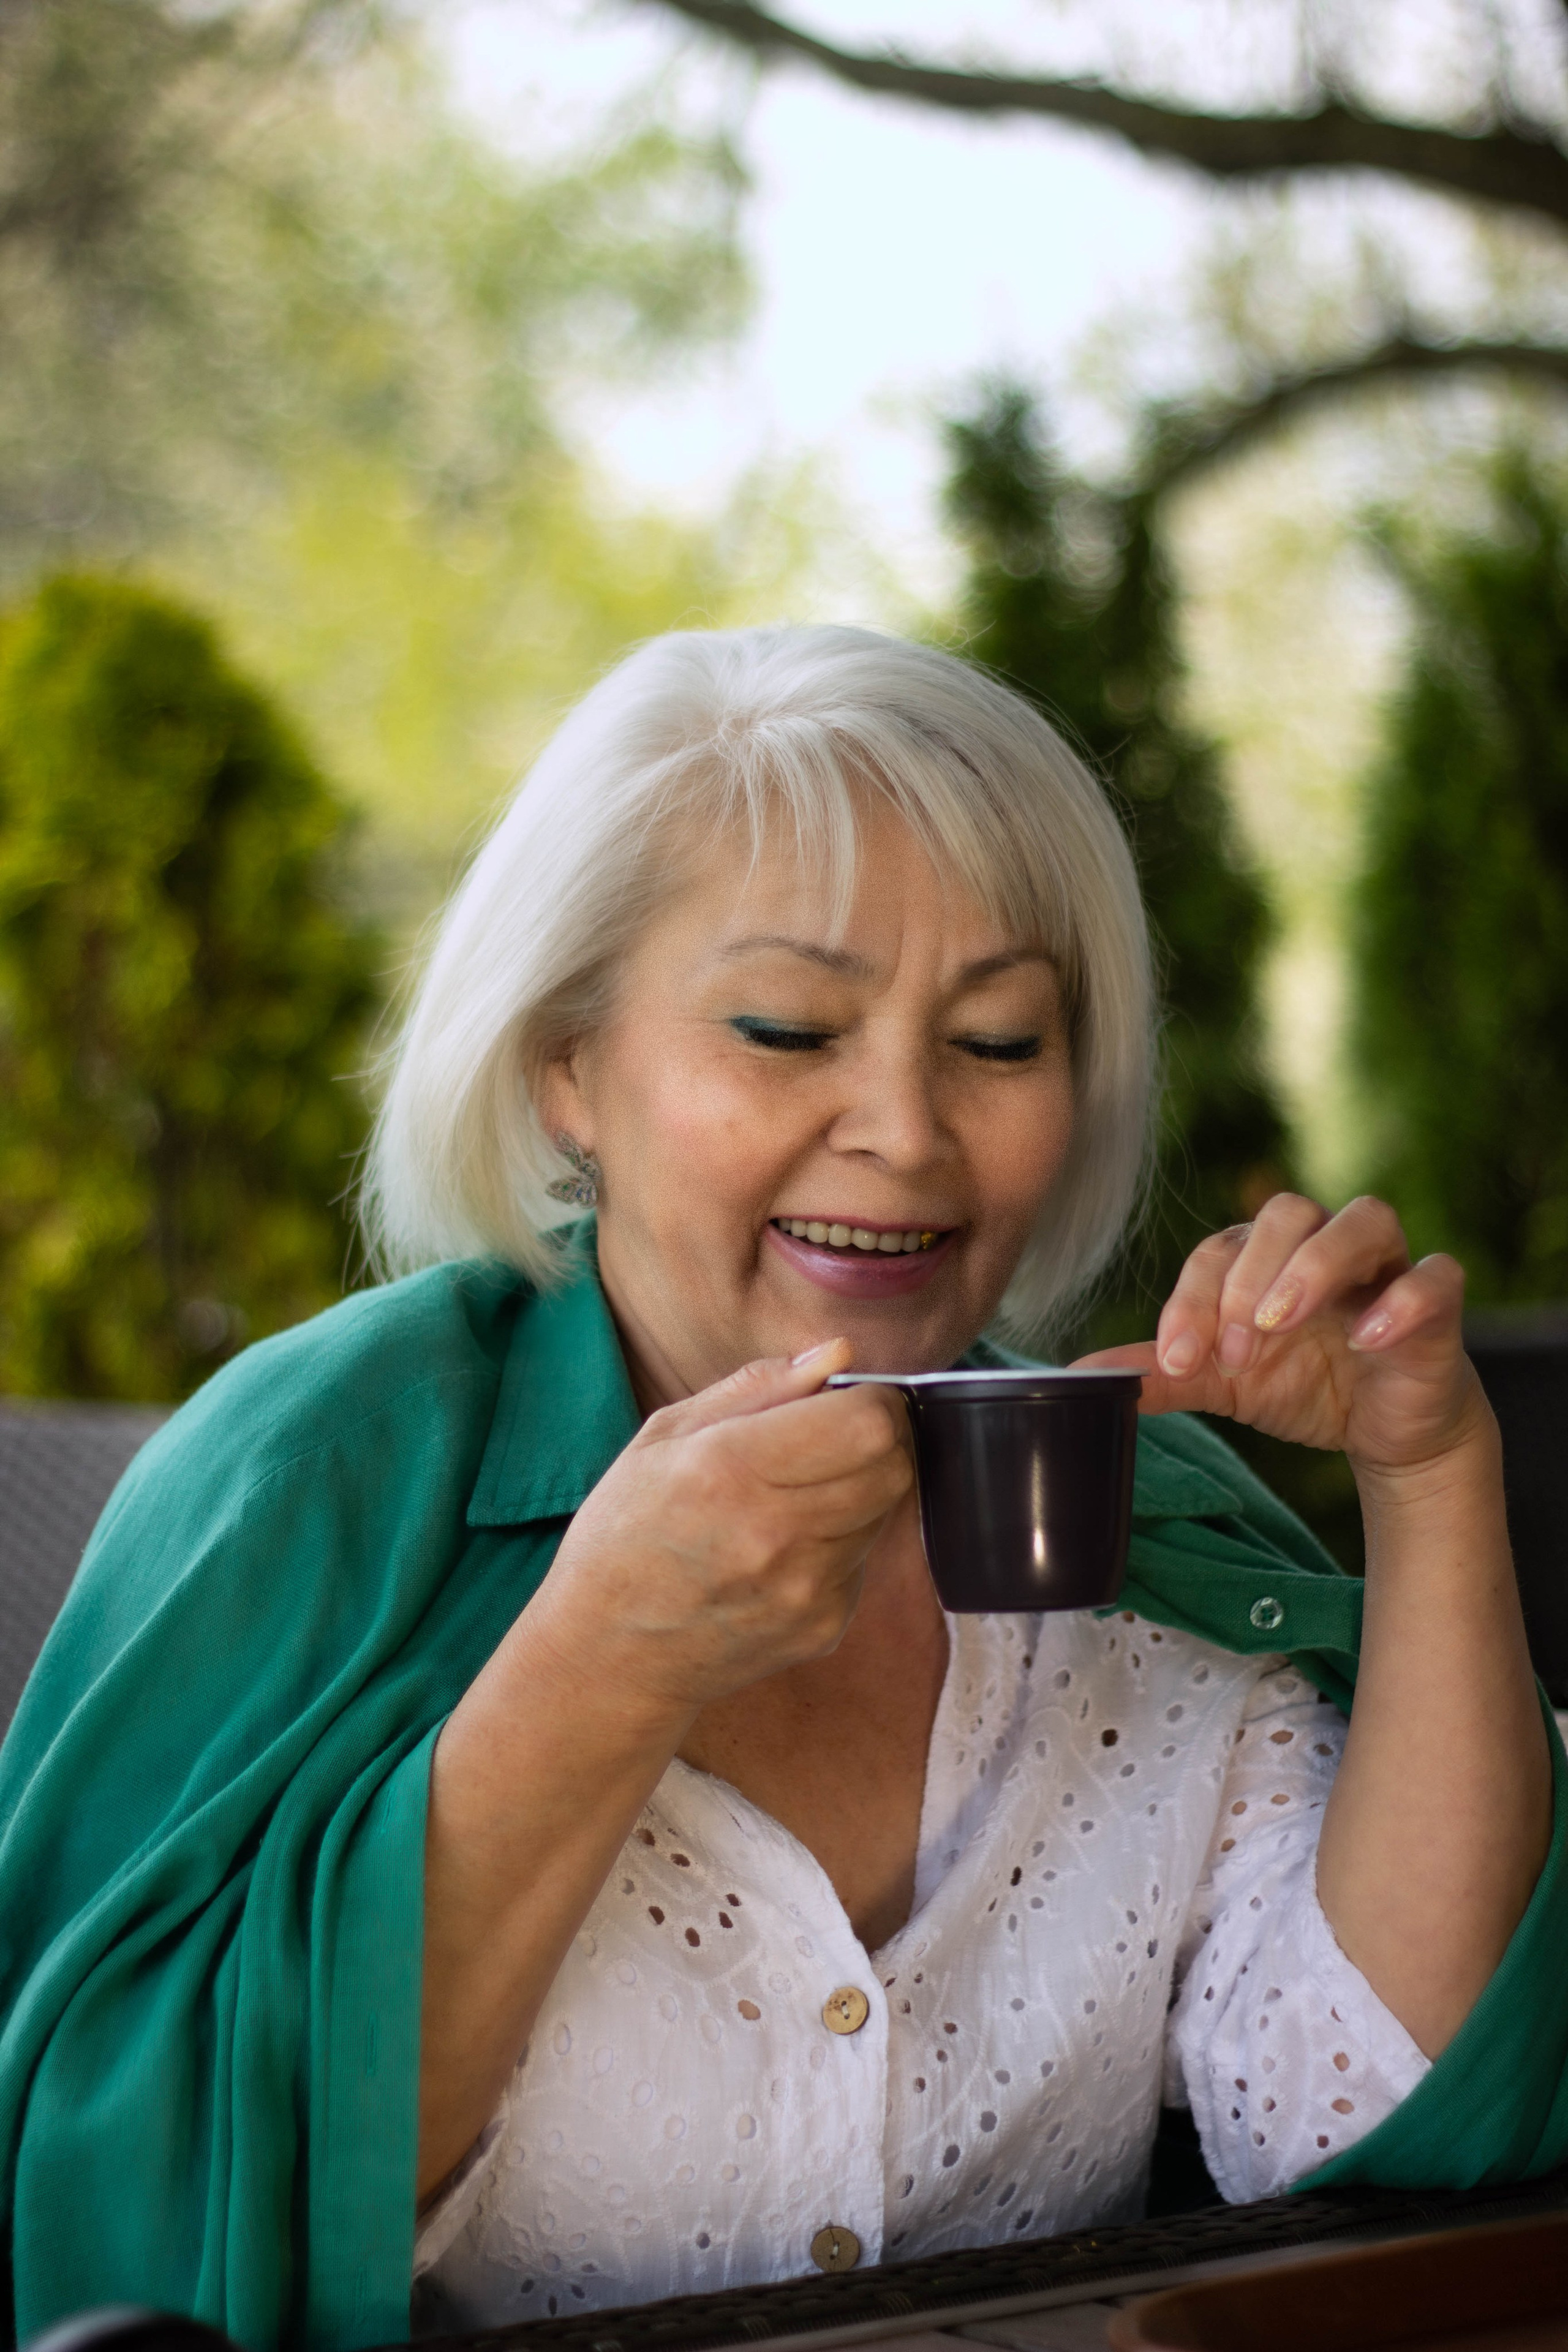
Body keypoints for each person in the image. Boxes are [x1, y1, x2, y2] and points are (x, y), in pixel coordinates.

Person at [0, 627, 1563, 2352]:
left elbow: (1402, 2134)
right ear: (567, 1065)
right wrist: (603, 1664)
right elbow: (119, 2229)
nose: (902, 1124)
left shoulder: (1143, 1523)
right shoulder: (307, 1475)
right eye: (784, 1026)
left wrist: (1429, 1480)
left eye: (997, 1038)